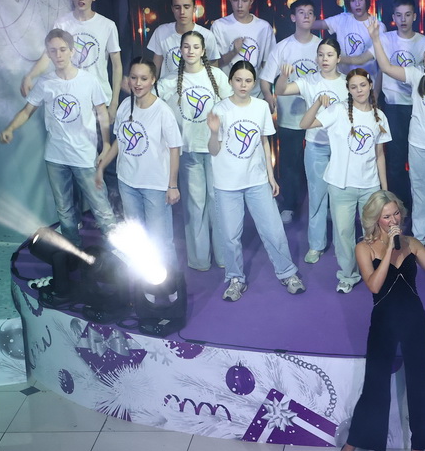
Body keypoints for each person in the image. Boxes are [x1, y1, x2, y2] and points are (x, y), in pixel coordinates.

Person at [330, 190, 425, 451]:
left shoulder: (411, 243)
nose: (394, 220)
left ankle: (418, 450)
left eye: (396, 213)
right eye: (387, 216)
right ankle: (350, 446)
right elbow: (374, 286)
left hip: (414, 320)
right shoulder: (364, 248)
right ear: (375, 219)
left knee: (419, 385)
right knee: (374, 386)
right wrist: (388, 251)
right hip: (383, 321)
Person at [0, 29, 117, 246]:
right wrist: (10, 128)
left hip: (84, 155)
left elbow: (102, 112)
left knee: (101, 206)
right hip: (56, 157)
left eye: (63, 49)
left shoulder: (89, 81)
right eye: (53, 51)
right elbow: (27, 111)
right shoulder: (45, 83)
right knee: (64, 209)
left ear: (72, 51)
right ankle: (73, 251)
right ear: (48, 53)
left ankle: (118, 250)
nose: (58, 55)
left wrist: (106, 144)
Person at [208, 61, 306, 301]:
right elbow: (213, 150)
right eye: (238, 80)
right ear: (230, 81)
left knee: (274, 229)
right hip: (227, 183)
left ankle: (288, 273)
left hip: (257, 180)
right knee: (230, 236)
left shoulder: (261, 106)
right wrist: (213, 131)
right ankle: (235, 279)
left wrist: (271, 176)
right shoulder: (219, 109)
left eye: (248, 80)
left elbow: (264, 142)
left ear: (254, 83)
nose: (243, 85)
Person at [367, 20, 425, 257]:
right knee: (420, 191)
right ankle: (419, 237)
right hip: (418, 143)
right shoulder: (417, 73)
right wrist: (376, 39)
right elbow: (386, 67)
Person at [299, 68, 391, 293]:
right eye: (353, 87)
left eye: (362, 85)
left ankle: (376, 271)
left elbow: (380, 155)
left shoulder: (380, 116)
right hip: (340, 185)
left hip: (369, 185)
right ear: (348, 90)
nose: (359, 90)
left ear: (370, 85)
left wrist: (384, 189)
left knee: (373, 233)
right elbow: (304, 124)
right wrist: (317, 103)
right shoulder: (338, 110)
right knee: (343, 235)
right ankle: (348, 275)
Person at [97, 58, 182, 261]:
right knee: (138, 237)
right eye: (134, 78)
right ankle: (144, 277)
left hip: (155, 185)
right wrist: (102, 167)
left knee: (161, 239)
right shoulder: (125, 106)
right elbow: (120, 141)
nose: (138, 83)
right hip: (127, 183)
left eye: (143, 78)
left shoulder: (163, 111)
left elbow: (174, 148)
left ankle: (169, 278)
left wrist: (172, 185)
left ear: (153, 80)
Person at [157, 31, 229, 271]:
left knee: (218, 202)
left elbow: (231, 108)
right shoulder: (168, 82)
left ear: (203, 50)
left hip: (216, 149)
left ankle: (224, 256)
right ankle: (199, 259)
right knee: (195, 206)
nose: (190, 51)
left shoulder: (217, 76)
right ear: (180, 50)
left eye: (195, 47)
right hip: (188, 151)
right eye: (186, 47)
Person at [274, 37, 346, 263]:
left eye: (330, 55)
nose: (325, 59)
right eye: (321, 54)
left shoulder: (347, 83)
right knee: (317, 196)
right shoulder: (309, 81)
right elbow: (281, 90)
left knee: (341, 197)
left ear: (338, 58)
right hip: (315, 146)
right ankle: (316, 245)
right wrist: (283, 75)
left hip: (341, 148)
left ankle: (343, 244)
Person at [20, 0, 122, 119]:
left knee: (100, 134)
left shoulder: (107, 25)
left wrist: (114, 103)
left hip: (99, 98)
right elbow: (48, 56)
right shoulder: (62, 24)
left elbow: (117, 65)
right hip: (69, 95)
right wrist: (30, 76)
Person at [260, 0, 322, 225]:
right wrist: (269, 98)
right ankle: (289, 206)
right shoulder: (283, 47)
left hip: (318, 117)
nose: (306, 16)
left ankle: (321, 206)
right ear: (293, 17)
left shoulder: (321, 47)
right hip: (289, 117)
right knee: (290, 164)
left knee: (318, 164)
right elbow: (266, 79)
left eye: (310, 12)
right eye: (301, 12)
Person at [374, 0, 425, 208]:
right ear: (393, 17)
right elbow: (378, 68)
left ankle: (419, 205)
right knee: (396, 160)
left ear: (414, 16)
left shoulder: (424, 42)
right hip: (393, 106)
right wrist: (375, 98)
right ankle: (398, 205)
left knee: (417, 159)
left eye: (407, 15)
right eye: (399, 15)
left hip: (418, 106)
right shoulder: (385, 39)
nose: (403, 19)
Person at [297, 0, 386, 78]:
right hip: (342, 82)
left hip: (366, 83)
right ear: (348, 2)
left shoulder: (378, 27)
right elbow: (310, 24)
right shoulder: (342, 19)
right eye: (353, 0)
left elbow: (363, 59)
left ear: (366, 0)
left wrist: (333, 58)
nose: (357, 4)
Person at [212, 0, 275, 96]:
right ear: (230, 0)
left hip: (256, 96)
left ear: (251, 1)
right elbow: (213, 65)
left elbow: (268, 66)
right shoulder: (219, 26)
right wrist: (233, 52)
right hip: (227, 95)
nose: (240, 5)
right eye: (235, 0)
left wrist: (268, 94)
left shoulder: (264, 27)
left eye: (244, 0)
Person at [146, 0, 220, 80]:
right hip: (167, 87)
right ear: (172, 9)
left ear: (194, 8)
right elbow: (155, 67)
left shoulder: (207, 36)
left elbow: (213, 69)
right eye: (177, 7)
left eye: (186, 7)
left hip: (197, 87)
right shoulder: (161, 32)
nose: (182, 12)